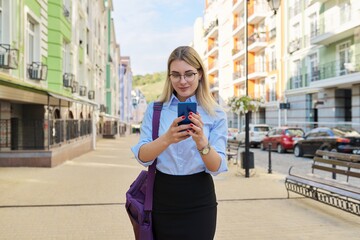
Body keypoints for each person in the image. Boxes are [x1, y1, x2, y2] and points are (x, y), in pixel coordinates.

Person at [131, 46, 228, 240]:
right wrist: (167, 138)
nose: (182, 81)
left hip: (199, 198)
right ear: (169, 77)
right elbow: (143, 156)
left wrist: (202, 142)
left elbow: (217, 167)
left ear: (199, 74)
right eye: (175, 75)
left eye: (189, 74)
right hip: (162, 197)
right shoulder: (156, 109)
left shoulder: (215, 113)